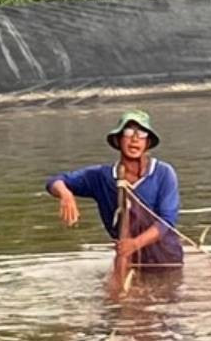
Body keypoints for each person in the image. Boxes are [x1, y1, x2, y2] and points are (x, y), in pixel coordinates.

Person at [44, 109, 184, 290]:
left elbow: (167, 221)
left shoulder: (163, 173)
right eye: (128, 133)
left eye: (141, 134)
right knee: (118, 306)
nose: (134, 139)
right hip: (127, 260)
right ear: (118, 140)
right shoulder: (102, 177)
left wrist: (135, 244)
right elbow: (56, 181)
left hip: (165, 261)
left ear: (147, 142)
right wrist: (65, 194)